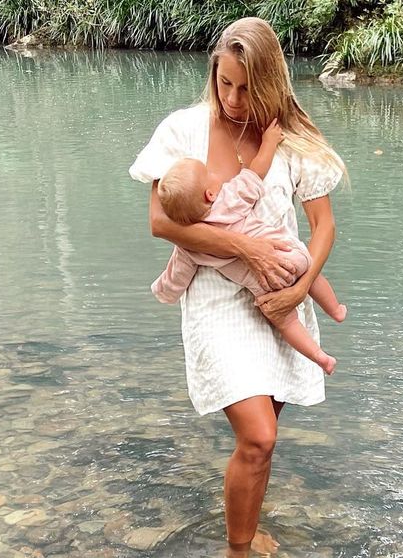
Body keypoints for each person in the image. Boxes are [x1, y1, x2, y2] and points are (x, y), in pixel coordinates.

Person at [129, 17, 346, 558]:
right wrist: (245, 249)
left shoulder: (291, 141)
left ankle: (247, 522)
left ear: (270, 82)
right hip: (217, 296)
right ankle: (237, 554)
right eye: (224, 83)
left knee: (263, 441)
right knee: (258, 435)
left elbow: (323, 227)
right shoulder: (183, 131)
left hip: (281, 291)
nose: (231, 98)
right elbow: (161, 223)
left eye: (246, 87)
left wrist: (301, 290)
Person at [149, 119, 347, 375]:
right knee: (310, 271)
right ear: (210, 194)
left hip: (265, 288)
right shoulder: (229, 199)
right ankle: (335, 309)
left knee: (287, 322)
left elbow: (176, 278)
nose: (215, 174)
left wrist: (163, 291)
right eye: (209, 174)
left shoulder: (189, 246)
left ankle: (321, 358)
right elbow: (256, 172)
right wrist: (269, 142)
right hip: (286, 254)